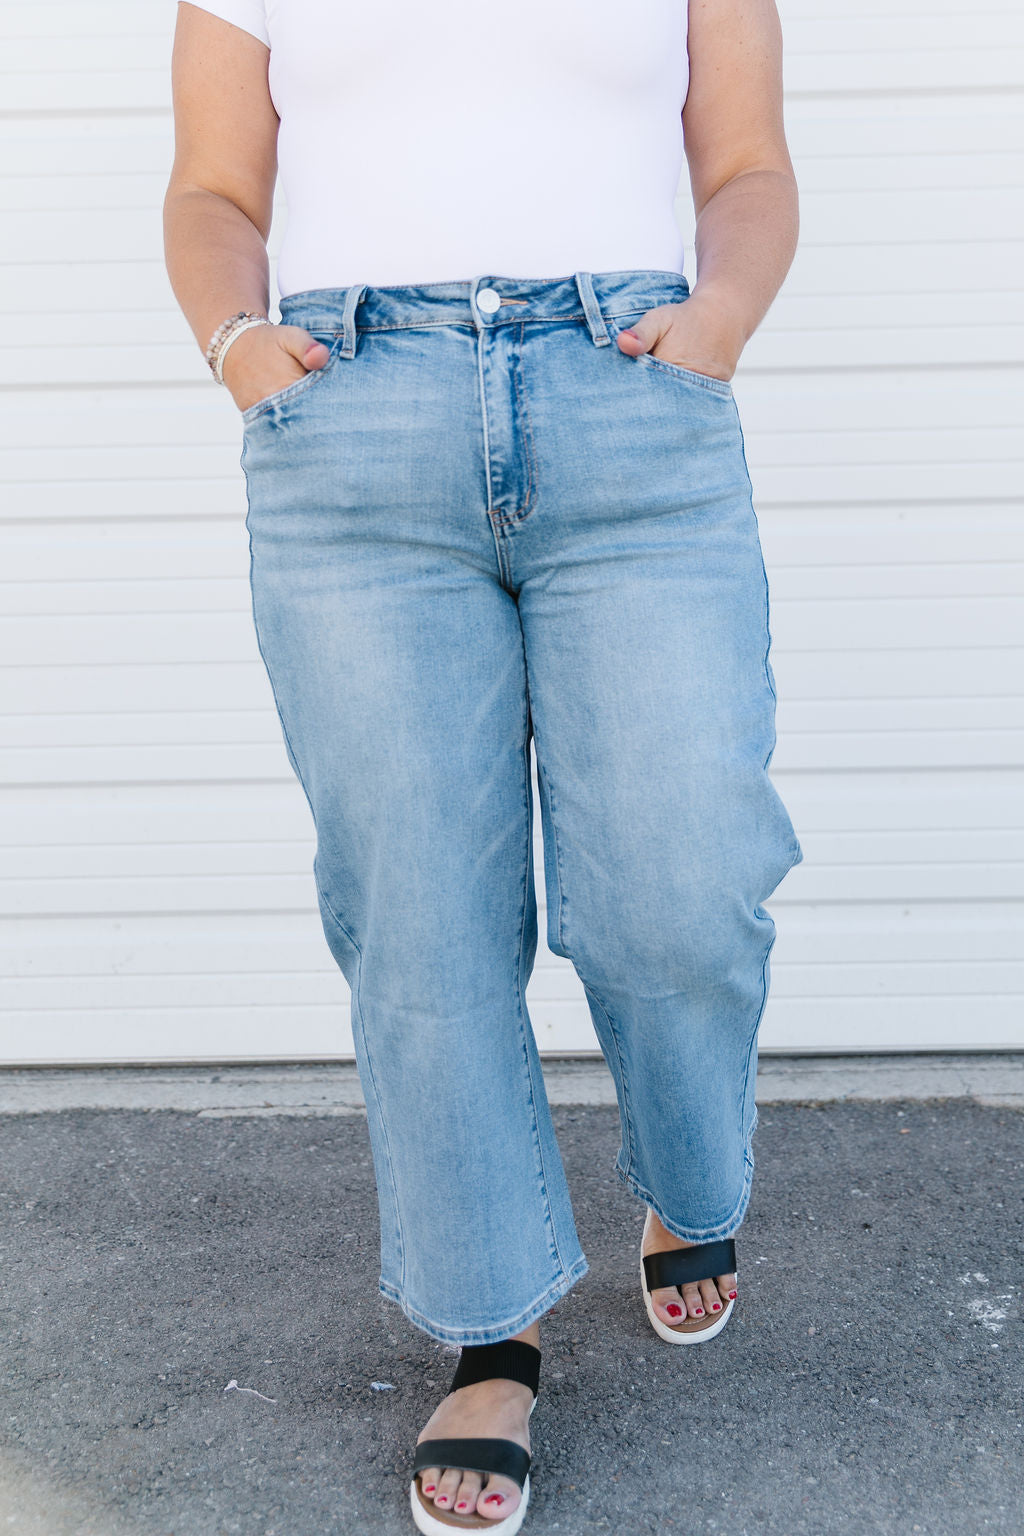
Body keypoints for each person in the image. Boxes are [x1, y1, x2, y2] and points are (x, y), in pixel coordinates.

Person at [164, 1, 804, 1528]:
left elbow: (746, 165)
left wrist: (715, 325)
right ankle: (492, 1321)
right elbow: (212, 190)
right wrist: (242, 348)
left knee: (684, 868)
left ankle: (688, 1181)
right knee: (421, 909)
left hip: (627, 392)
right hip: (355, 419)